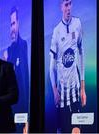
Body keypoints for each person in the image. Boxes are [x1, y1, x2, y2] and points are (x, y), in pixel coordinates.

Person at [49, 0, 86, 133]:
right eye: (66, 5)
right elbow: (51, 67)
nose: (68, 8)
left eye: (70, 3)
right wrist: (54, 91)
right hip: (62, 93)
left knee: (76, 130)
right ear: (61, 7)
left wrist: (83, 88)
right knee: (61, 130)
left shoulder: (78, 23)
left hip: (75, 90)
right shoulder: (56, 31)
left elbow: (81, 54)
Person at [4, 6, 29, 114]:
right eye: (11, 24)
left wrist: (26, 114)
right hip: (10, 107)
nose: (12, 28)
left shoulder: (23, 45)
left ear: (18, 23)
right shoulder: (8, 51)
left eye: (14, 23)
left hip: (21, 107)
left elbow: (24, 79)